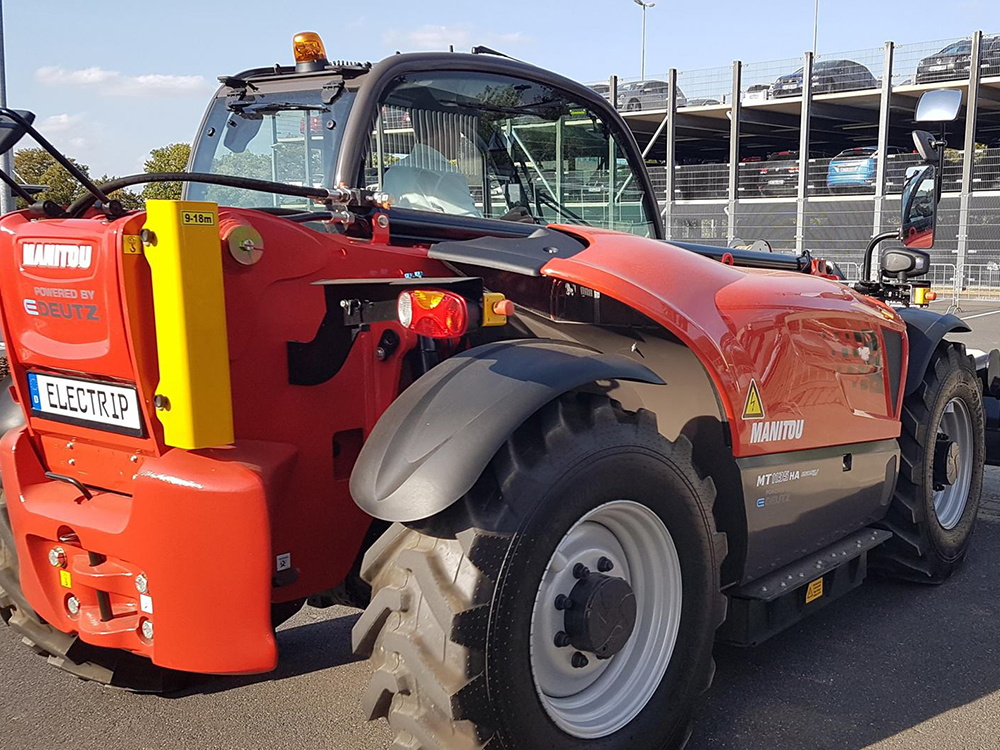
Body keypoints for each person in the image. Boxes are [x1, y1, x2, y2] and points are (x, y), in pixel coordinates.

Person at [383, 111, 481, 217]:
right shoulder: (444, 174)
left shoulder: (393, 172)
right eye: (458, 130)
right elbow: (473, 224)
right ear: (447, 127)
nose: (460, 139)